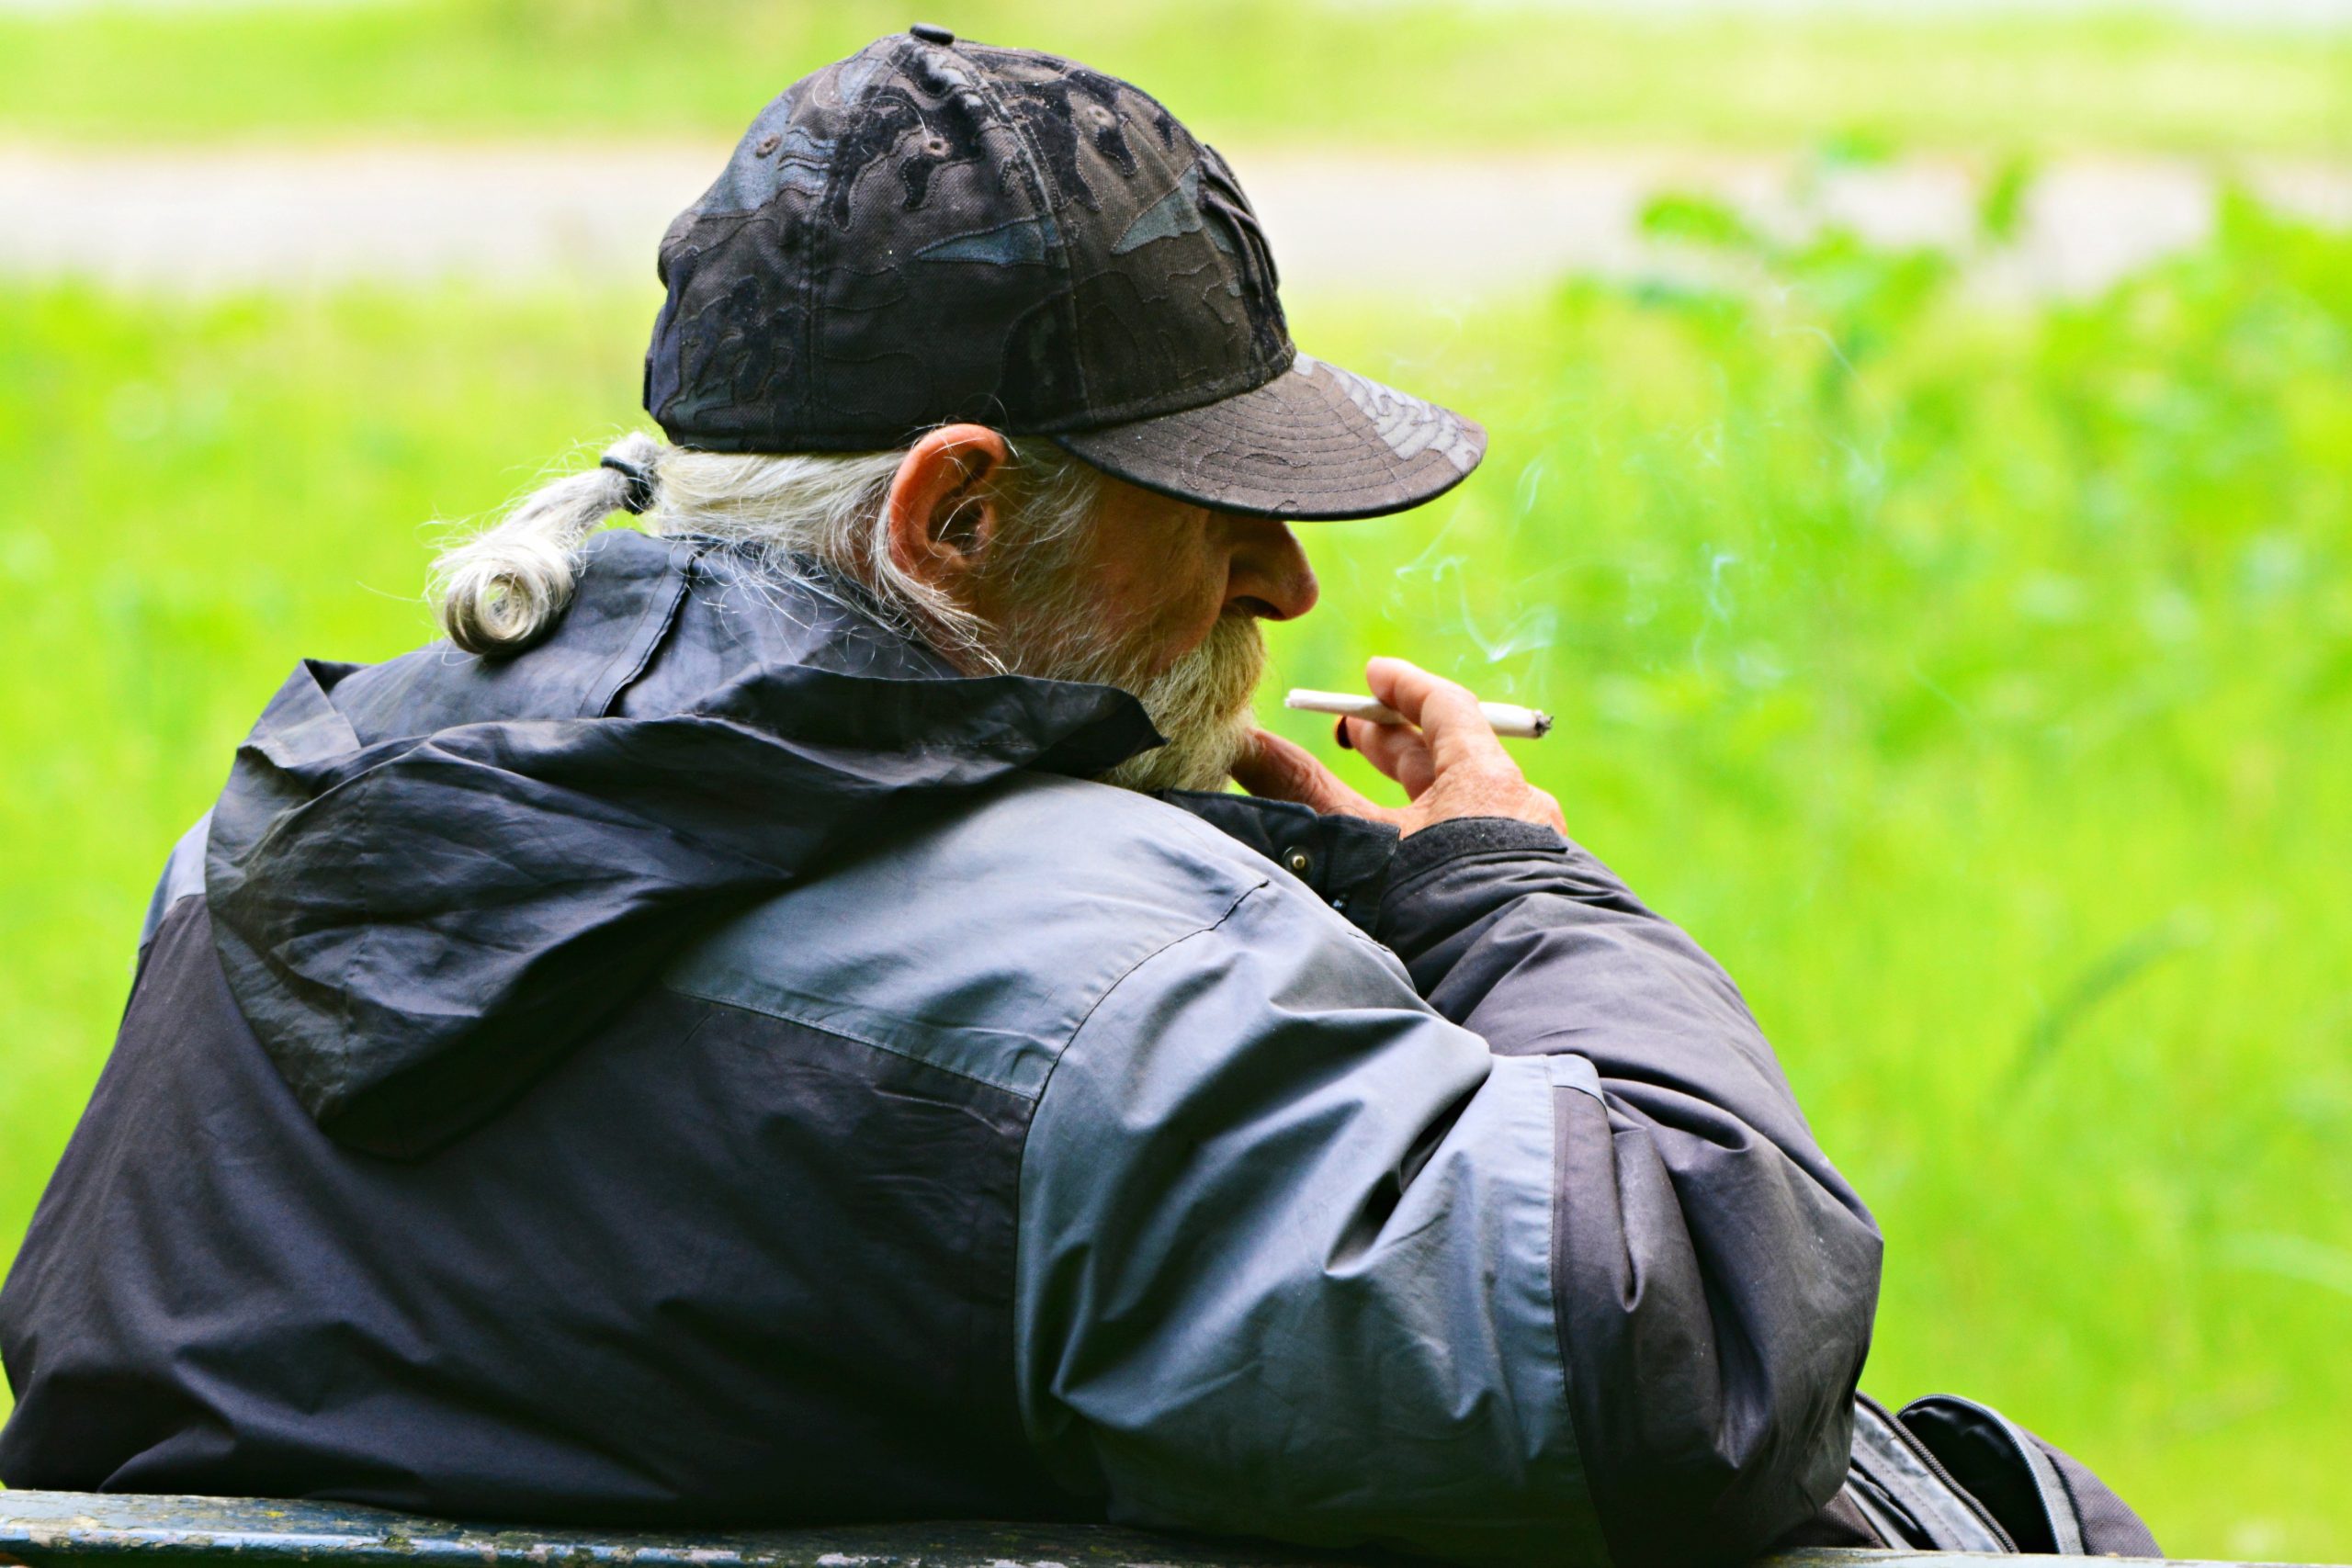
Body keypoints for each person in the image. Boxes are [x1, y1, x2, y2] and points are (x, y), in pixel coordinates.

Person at [0, 29, 1883, 1568]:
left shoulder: (253, 857)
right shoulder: (1118, 982)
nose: (1284, 583)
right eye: (1211, 501)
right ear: (951, 521)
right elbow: (1698, 1359)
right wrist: (1499, 889)